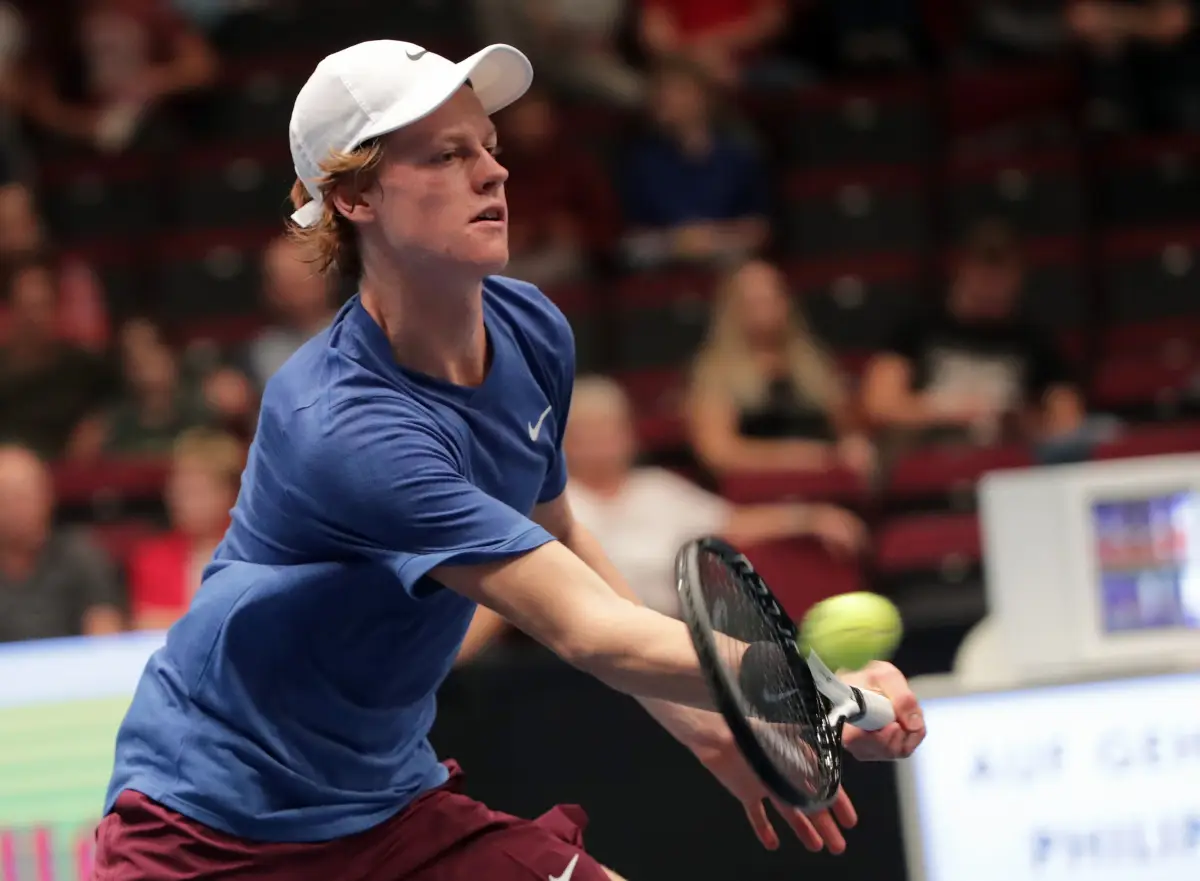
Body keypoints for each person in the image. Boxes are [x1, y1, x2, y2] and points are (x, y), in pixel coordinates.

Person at [91, 40, 926, 881]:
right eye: (446, 155)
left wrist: (707, 723)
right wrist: (827, 693)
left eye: (488, 146)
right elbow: (583, 628)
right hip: (208, 827)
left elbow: (559, 534)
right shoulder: (342, 425)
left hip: (385, 809)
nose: (493, 173)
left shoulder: (532, 331)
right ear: (354, 196)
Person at [687, 259, 876, 478]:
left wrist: (853, 445)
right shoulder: (714, 372)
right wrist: (796, 457)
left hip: (822, 482)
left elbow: (849, 429)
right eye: (752, 300)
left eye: (772, 296)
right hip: (754, 488)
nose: (765, 307)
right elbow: (718, 452)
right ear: (731, 309)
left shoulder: (815, 364)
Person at [125, 427, 243, 630]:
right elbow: (147, 625)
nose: (183, 501)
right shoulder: (151, 557)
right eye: (180, 489)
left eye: (198, 490)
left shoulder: (254, 556)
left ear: (229, 493)